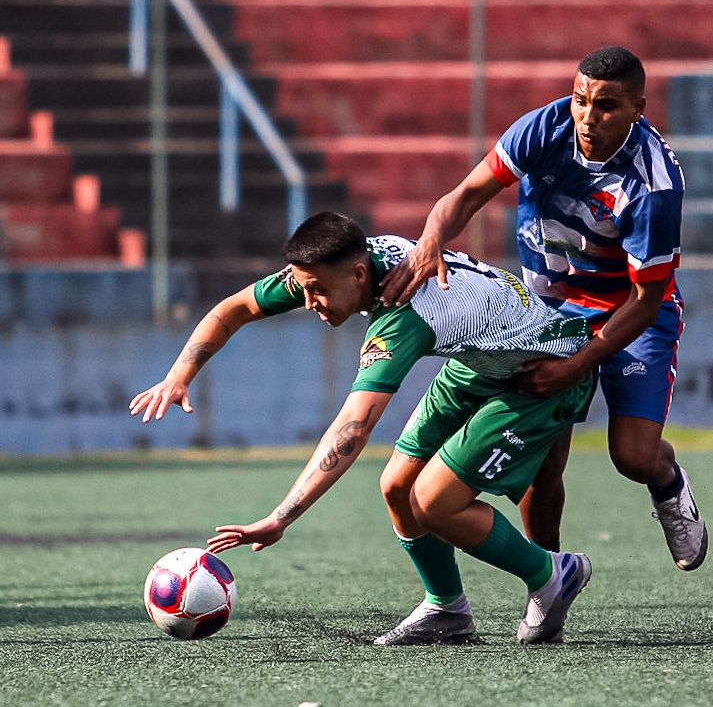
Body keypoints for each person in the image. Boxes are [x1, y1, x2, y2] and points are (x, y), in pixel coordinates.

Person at [130, 211, 595, 646]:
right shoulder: (339, 263)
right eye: (303, 288)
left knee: (433, 503)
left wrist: (281, 517)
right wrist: (179, 375)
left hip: (545, 373)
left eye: (316, 291)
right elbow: (234, 308)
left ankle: (552, 575)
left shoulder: (403, 317)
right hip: (480, 360)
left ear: (357, 275)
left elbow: (351, 432)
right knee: (396, 487)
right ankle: (447, 608)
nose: (308, 301)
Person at [379, 45, 708, 571]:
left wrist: (579, 364)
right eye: (581, 101)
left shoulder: (654, 186)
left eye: (606, 106)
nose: (588, 116)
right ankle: (550, 576)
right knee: (543, 459)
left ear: (638, 109)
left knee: (632, 456)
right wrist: (430, 241)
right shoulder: (543, 129)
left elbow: (647, 300)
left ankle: (670, 485)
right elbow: (464, 194)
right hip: (549, 309)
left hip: (629, 310)